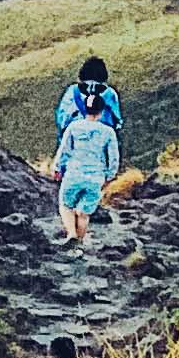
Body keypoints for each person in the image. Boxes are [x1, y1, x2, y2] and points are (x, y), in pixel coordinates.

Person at [53, 57, 123, 244]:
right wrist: (110, 173)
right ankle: (81, 239)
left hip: (75, 157)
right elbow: (117, 121)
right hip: (98, 160)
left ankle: (71, 233)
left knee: (66, 200)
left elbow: (62, 118)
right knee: (87, 205)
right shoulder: (110, 94)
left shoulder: (72, 92)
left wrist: (58, 165)